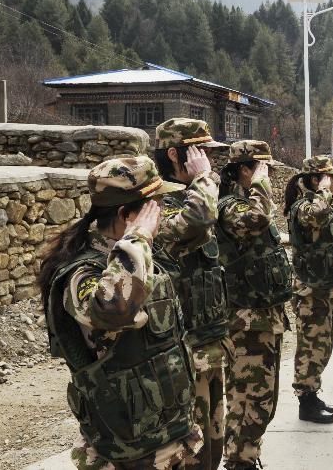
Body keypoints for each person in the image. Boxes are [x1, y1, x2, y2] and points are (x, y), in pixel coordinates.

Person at [39, 157, 203, 469]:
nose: (163, 212)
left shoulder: (143, 253)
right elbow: (114, 308)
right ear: (125, 215)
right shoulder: (82, 273)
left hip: (170, 433)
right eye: (154, 206)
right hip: (129, 450)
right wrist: (137, 236)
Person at [154, 118, 230, 470]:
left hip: (209, 344)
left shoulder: (195, 196)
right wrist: (203, 179)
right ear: (174, 154)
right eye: (199, 153)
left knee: (215, 442)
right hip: (184, 354)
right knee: (193, 453)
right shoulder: (158, 203)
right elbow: (197, 220)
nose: (208, 162)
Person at [216, 141, 294, 469]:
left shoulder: (249, 202)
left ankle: (246, 457)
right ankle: (239, 462)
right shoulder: (231, 206)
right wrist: (262, 187)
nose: (269, 176)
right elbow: (258, 219)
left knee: (261, 403)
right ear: (244, 170)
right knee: (248, 401)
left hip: (264, 319)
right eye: (263, 169)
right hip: (246, 323)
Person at [284, 155, 333, 424]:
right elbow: (317, 215)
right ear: (312, 179)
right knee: (310, 346)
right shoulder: (303, 207)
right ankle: (305, 402)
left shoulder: (317, 204)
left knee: (322, 345)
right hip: (310, 289)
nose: (331, 182)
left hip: (324, 286)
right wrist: (323, 190)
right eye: (325, 177)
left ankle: (312, 394)